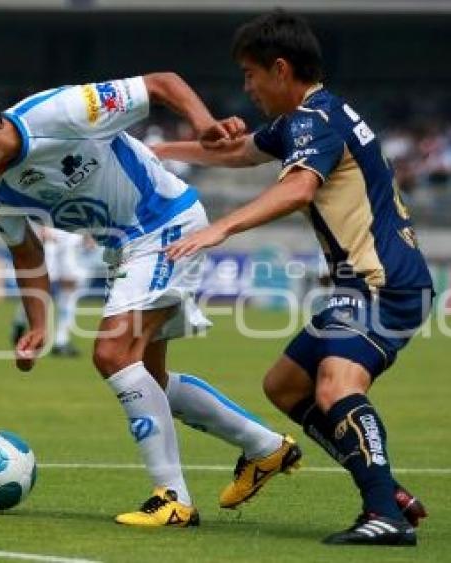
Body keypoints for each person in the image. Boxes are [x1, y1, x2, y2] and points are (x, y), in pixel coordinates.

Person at [0, 71, 302, 527]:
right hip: (124, 246)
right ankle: (265, 447)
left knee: (112, 353)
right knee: (150, 378)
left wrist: (202, 123)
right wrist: (38, 324)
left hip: (166, 223)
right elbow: (26, 250)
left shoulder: (59, 112)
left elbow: (162, 84)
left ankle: (172, 499)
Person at [157, 10, 433, 546]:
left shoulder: (314, 121)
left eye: (250, 74)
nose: (247, 87)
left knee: (335, 385)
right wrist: (159, 152)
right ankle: (386, 489)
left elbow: (299, 189)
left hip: (383, 283)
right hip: (367, 283)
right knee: (284, 386)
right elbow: (239, 150)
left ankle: (386, 515)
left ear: (280, 69)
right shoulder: (309, 118)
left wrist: (223, 227)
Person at [11, 226, 95, 357]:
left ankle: (61, 341)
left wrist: (89, 235)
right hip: (51, 238)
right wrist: (41, 226)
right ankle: (20, 321)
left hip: (72, 238)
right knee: (40, 288)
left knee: (70, 289)